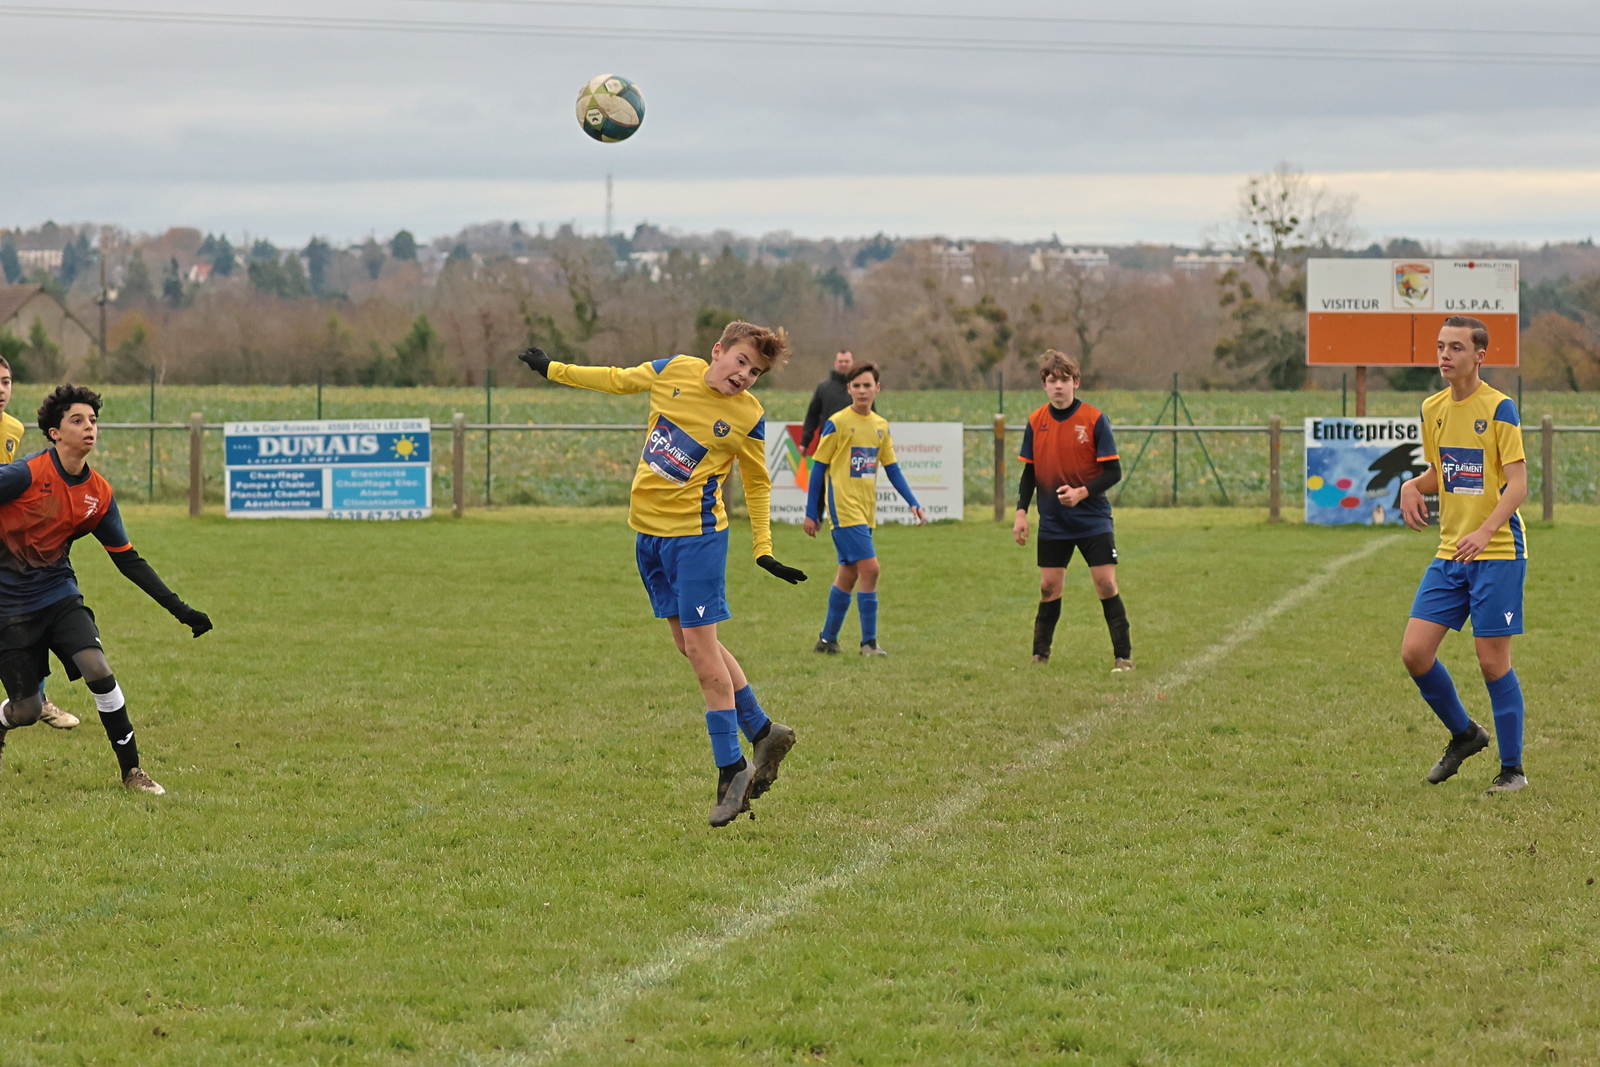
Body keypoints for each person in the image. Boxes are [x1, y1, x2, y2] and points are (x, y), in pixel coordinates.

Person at [518, 323, 806, 828]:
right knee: (689, 644)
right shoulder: (673, 369)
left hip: (697, 541)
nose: (745, 376)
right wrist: (552, 369)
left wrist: (763, 549)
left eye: (756, 372)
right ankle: (763, 731)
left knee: (702, 653)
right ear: (717, 351)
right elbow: (615, 378)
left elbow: (758, 483)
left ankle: (732, 769)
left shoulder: (749, 416)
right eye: (741, 361)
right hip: (648, 537)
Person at [0, 385, 213, 793]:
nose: (89, 427)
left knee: (98, 668)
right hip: (8, 607)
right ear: (54, 433)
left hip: (58, 594)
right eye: (77, 420)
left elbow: (128, 559)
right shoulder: (25, 475)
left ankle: (132, 772)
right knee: (26, 710)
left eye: (93, 420)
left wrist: (180, 609)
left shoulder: (97, 494)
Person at [1398, 315, 1530, 795]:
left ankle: (1512, 770)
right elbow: (1443, 473)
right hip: (1452, 552)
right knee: (1415, 653)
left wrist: (1486, 529)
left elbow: (1518, 484)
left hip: (1498, 552)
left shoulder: (1499, 408)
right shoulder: (1432, 408)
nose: (1444, 355)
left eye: (1455, 347)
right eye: (1440, 346)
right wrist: (1413, 485)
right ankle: (1466, 734)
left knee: (1492, 663)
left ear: (1479, 355)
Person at [1011, 350, 1133, 671]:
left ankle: (1123, 656)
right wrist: (1021, 513)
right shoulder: (1036, 421)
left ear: (1076, 382)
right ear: (1044, 385)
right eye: (1052, 380)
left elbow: (1114, 472)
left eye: (1064, 380)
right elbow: (1029, 473)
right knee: (1048, 587)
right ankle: (1040, 655)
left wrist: (1082, 492)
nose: (1058, 386)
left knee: (1105, 584)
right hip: (1054, 522)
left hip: (1093, 519)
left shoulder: (1094, 419)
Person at [802, 363, 925, 655]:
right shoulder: (837, 422)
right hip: (843, 509)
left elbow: (892, 469)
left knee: (848, 574)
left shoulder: (880, 426)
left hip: (866, 510)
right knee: (871, 569)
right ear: (849, 389)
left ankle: (827, 641)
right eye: (856, 386)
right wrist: (812, 512)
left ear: (877, 389)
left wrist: (913, 502)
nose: (861, 391)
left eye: (867, 385)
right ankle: (869, 643)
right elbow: (818, 468)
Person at [0, 356, 82, 731]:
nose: (1, 389)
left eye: (6, 381)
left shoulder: (12, 428)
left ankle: (38, 698)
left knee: (36, 611)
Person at [801, 349, 859, 455]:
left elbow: (870, 415)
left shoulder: (860, 388)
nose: (843, 364)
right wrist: (805, 442)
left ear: (853, 363)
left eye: (847, 361)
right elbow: (813, 415)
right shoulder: (823, 387)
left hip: (855, 443)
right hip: (828, 441)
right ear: (835, 363)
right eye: (840, 361)